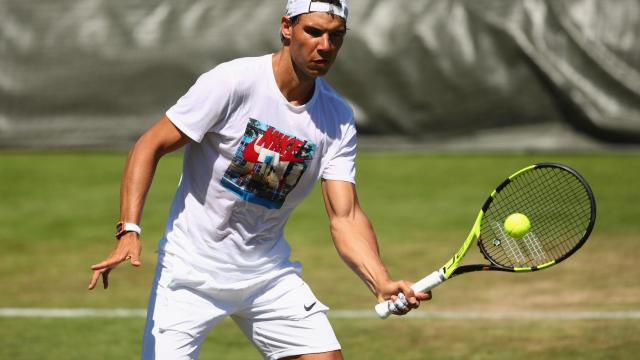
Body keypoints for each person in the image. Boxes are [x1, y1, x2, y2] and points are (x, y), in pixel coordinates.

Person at [88, 0, 431, 359]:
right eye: (313, 32)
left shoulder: (337, 117)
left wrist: (379, 280)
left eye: (336, 36)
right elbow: (149, 145)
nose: (325, 46)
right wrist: (129, 229)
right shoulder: (232, 82)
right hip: (190, 273)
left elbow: (345, 217)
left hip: (267, 275)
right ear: (286, 27)